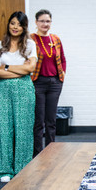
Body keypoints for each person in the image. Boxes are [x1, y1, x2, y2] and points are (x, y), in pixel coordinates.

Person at [0, 11, 37, 183]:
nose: (15, 27)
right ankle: (4, 170)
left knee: (23, 129)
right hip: (2, 91)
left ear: (24, 27)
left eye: (19, 24)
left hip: (24, 89)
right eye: (12, 23)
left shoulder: (30, 45)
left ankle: (23, 169)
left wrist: (7, 66)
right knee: (4, 129)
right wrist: (20, 70)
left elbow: (30, 69)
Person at [30, 9, 66, 157]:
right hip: (38, 82)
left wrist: (62, 74)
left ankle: (51, 152)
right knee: (39, 121)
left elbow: (63, 58)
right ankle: (37, 154)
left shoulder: (55, 39)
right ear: (36, 22)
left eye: (48, 21)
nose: (45, 24)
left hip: (55, 83)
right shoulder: (31, 39)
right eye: (42, 21)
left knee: (51, 120)